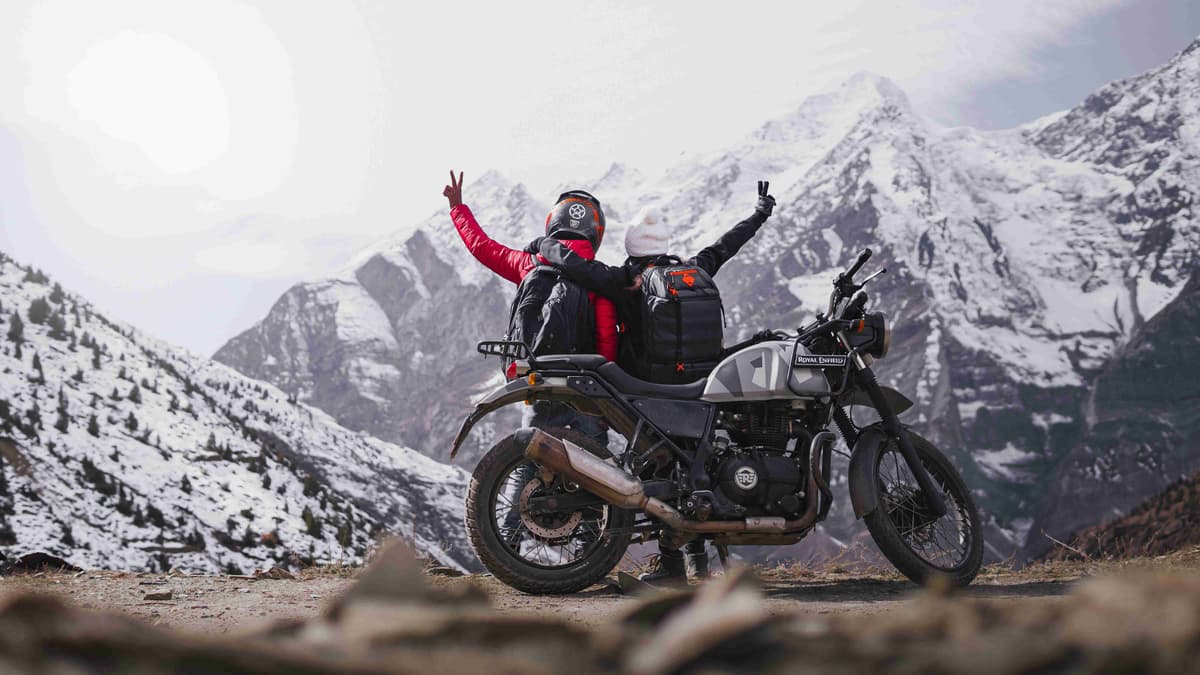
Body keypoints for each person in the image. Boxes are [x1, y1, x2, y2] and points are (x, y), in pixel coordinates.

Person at [529, 180, 777, 585]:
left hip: (647, 391)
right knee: (697, 468)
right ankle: (701, 565)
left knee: (658, 472)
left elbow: (573, 264)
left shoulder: (622, 282)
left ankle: (671, 567)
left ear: (629, 247)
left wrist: (543, 244)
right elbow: (726, 246)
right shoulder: (692, 270)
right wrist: (759, 214)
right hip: (701, 386)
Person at [442, 170, 622, 445]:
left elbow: (483, 247)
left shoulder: (529, 264)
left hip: (539, 380)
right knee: (598, 468)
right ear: (595, 233)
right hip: (584, 387)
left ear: (553, 223)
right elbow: (607, 338)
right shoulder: (599, 276)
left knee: (531, 456)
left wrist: (458, 208)